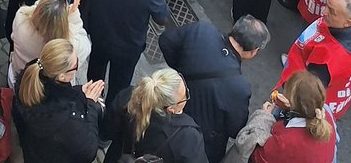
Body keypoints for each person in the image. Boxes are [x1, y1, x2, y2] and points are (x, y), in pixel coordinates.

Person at [158, 15, 270, 162]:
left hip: (167, 110)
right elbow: (236, 129)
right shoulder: (239, 88)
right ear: (254, 51)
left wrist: (180, 76)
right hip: (200, 142)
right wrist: (263, 115)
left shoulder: (201, 30)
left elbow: (165, 41)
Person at [13, 38, 105, 163]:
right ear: (62, 76)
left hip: (31, 151)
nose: (78, 64)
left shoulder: (29, 79)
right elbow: (88, 151)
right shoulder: (67, 118)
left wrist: (79, 93)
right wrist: (91, 106)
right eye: (76, 64)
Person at [103, 67, 207, 163]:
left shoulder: (129, 97)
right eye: (186, 96)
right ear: (171, 108)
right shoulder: (188, 138)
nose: (188, 92)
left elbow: (108, 131)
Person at [236, 71, 337, 163]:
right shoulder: (325, 114)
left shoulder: (284, 143)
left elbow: (254, 155)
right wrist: (290, 108)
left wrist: (264, 117)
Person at [10, 0, 91, 85]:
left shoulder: (21, 18)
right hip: (49, 91)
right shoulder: (70, 48)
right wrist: (73, 17)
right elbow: (86, 45)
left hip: (19, 78)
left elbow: (35, 10)